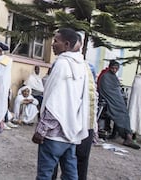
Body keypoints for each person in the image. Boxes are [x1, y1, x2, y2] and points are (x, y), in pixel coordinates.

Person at [32, 28, 89, 180]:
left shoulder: (62, 64)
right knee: (70, 174)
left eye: (56, 41)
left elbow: (55, 100)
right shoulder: (82, 65)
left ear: (66, 44)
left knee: (44, 174)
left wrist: (42, 129)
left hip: (54, 134)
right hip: (70, 131)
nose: (52, 44)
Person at [98, 60, 140, 149]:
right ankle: (127, 137)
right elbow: (105, 90)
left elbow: (116, 89)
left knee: (125, 113)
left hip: (117, 100)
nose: (114, 70)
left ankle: (127, 136)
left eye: (116, 69)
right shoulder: (105, 76)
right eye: (112, 68)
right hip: (109, 100)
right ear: (109, 67)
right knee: (120, 114)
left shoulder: (114, 77)